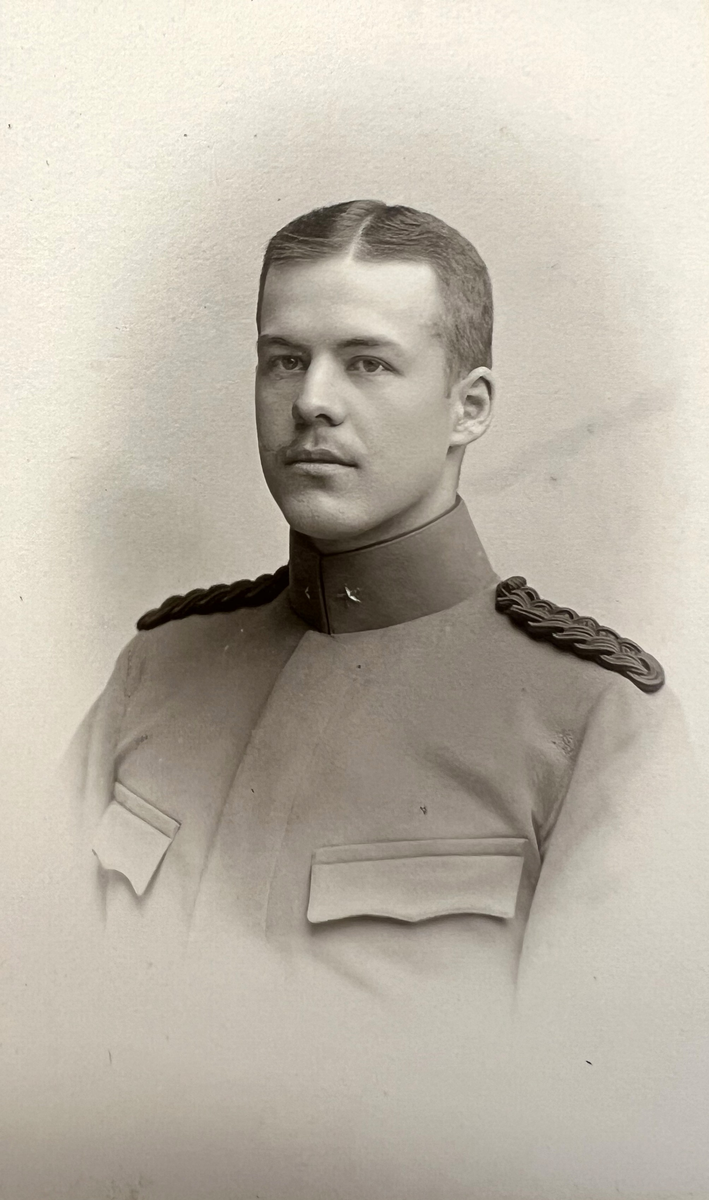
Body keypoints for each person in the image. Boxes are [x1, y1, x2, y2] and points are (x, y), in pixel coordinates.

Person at [59, 200, 707, 1200]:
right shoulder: (160, 669)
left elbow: (598, 1144)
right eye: (284, 360)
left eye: (367, 363)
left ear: (469, 407)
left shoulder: (594, 722)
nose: (312, 402)